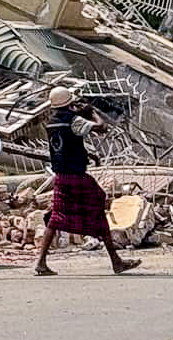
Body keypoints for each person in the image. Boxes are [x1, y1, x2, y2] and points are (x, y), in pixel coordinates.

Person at [33, 84, 141, 277]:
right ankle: (116, 261)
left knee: (57, 217)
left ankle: (41, 262)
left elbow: (67, 142)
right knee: (98, 203)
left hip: (61, 176)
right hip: (77, 175)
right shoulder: (75, 121)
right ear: (70, 103)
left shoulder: (52, 123)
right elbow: (101, 128)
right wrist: (92, 112)